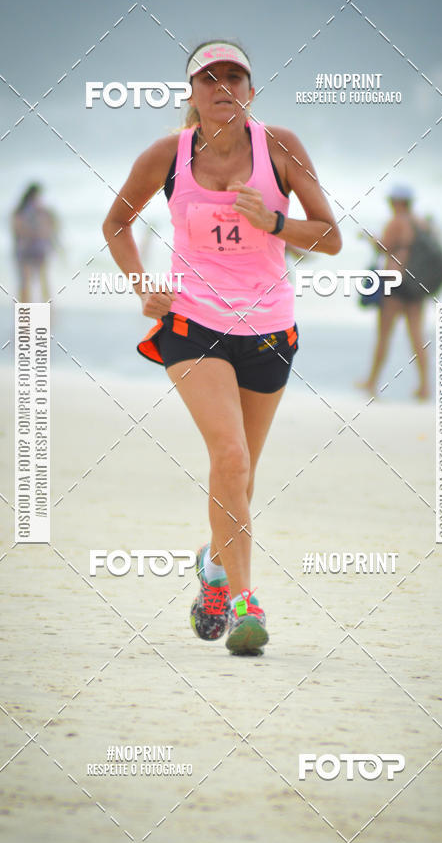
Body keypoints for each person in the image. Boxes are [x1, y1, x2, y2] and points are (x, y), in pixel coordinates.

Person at [103, 40, 341, 655]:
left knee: (239, 478)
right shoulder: (168, 154)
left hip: (269, 329)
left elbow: (332, 238)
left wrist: (276, 224)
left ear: (252, 90)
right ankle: (244, 605)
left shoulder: (280, 148)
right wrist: (141, 285)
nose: (222, 87)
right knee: (230, 458)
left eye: (234, 76)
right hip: (193, 324)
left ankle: (212, 567)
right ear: (193, 93)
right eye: (209, 78)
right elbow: (116, 223)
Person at [357, 184, 430, 400]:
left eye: (391, 200)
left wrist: (369, 238)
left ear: (398, 202)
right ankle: (424, 386)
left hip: (395, 283)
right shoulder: (422, 223)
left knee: (384, 334)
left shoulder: (397, 222)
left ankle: (371, 382)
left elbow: (384, 246)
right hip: (416, 285)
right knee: (416, 335)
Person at [12, 183, 58, 302]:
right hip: (34, 250)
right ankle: (45, 310)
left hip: (28, 250)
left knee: (28, 283)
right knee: (39, 282)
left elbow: (16, 231)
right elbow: (51, 229)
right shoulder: (41, 212)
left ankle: (26, 310)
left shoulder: (21, 211)